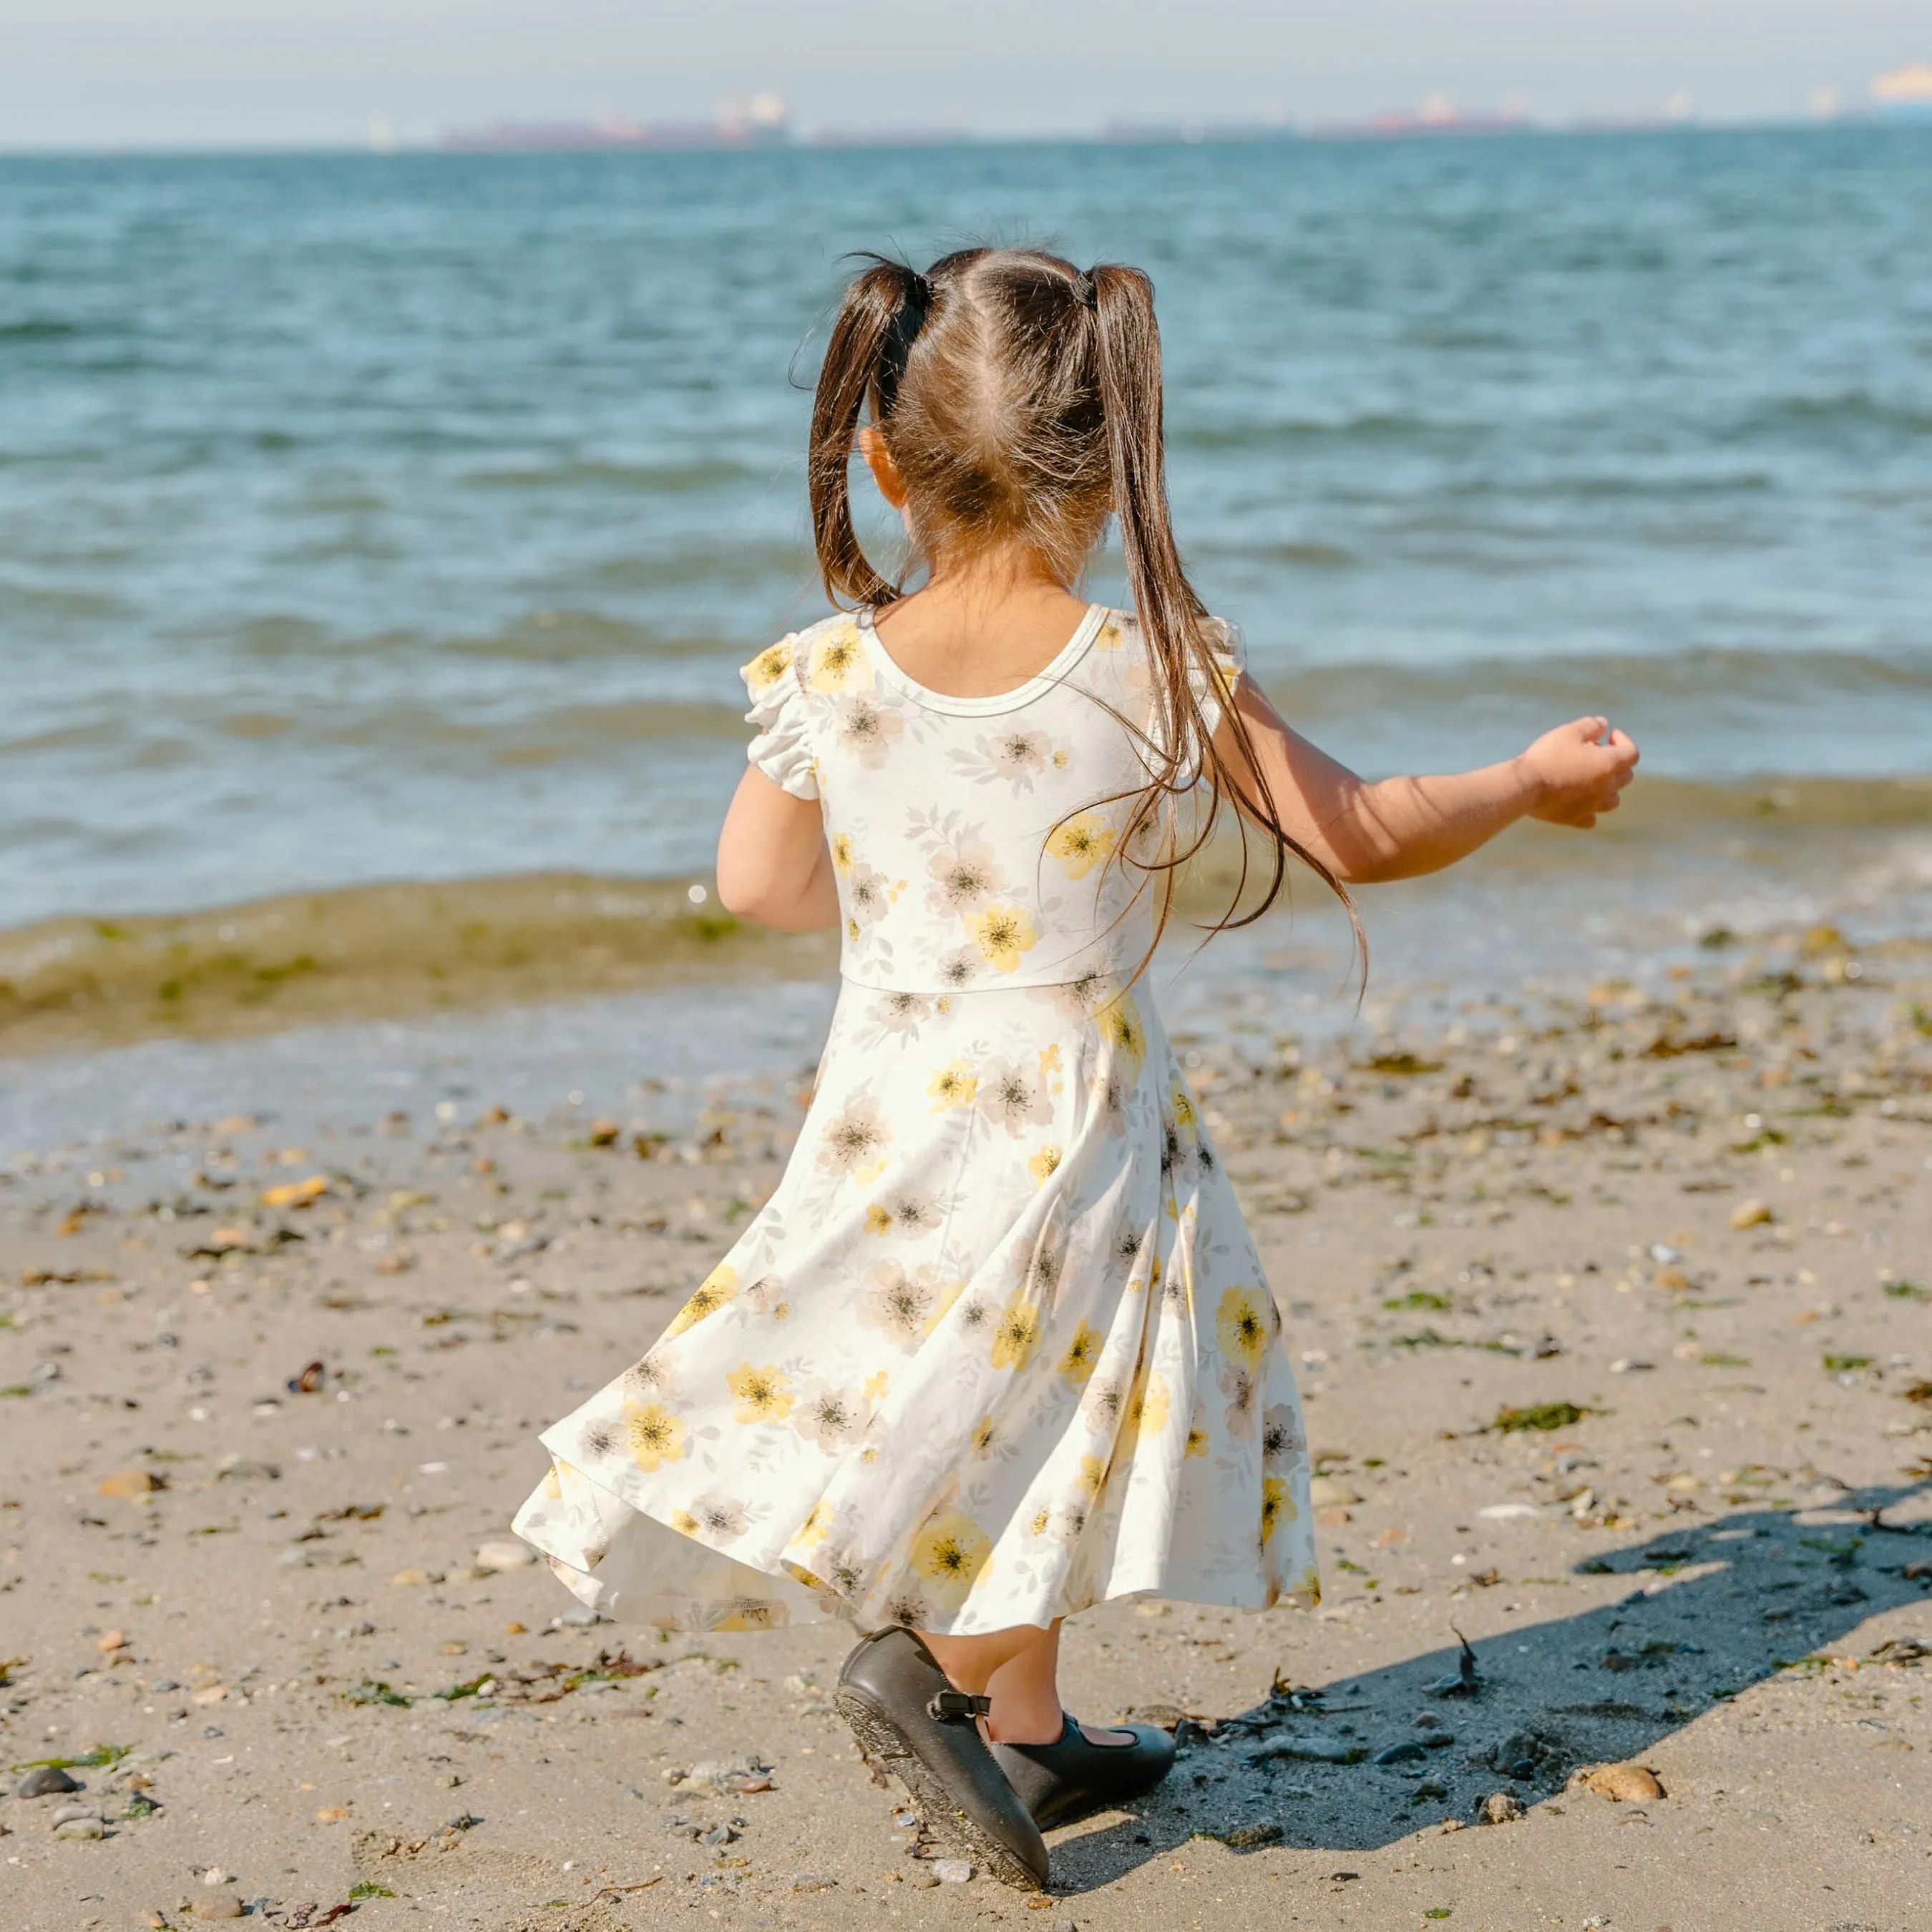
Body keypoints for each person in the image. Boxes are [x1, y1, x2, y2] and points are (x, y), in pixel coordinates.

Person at [512, 246, 1639, 1890]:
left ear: (884, 460)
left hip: (891, 1100)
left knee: (985, 1400)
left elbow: (759, 888)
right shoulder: (1150, 663)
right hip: (1074, 1117)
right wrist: (1528, 779)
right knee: (1062, 1405)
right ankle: (938, 1685)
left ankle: (1032, 1734)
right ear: (1110, 467)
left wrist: (905, 915)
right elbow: (1364, 830)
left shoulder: (826, 675)